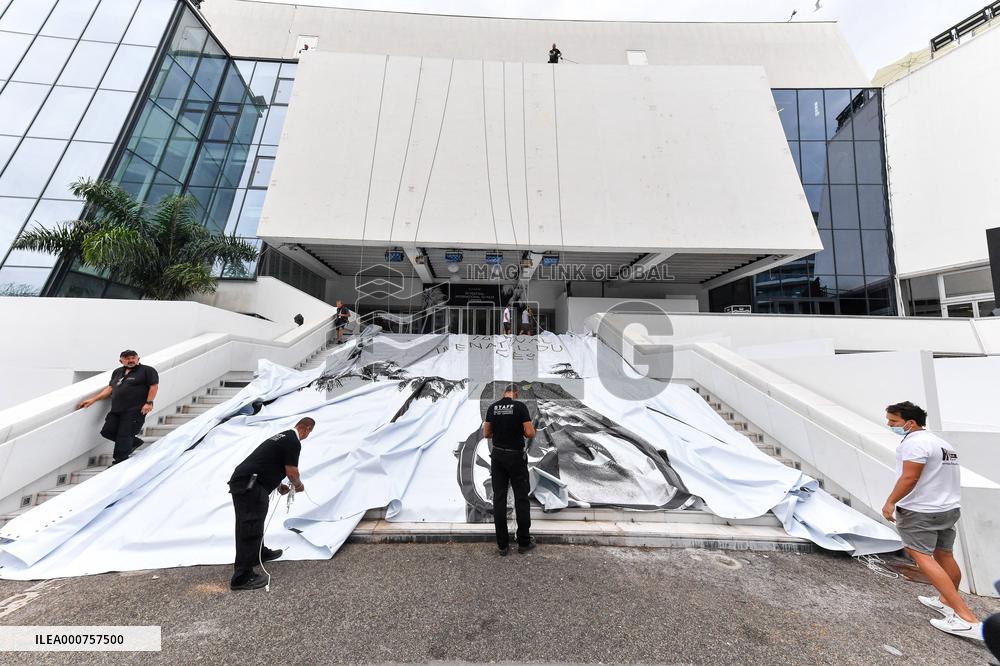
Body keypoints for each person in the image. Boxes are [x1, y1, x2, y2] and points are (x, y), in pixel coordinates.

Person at [882, 401, 982, 641]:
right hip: (947, 508)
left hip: (920, 510)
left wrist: (890, 502)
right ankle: (946, 601)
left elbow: (910, 478)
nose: (889, 425)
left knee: (921, 556)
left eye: (893, 421)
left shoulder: (914, 443)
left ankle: (967, 619)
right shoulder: (942, 444)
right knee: (944, 555)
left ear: (910, 423)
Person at [228, 417, 315, 591]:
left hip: (249, 481)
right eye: (309, 432)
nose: (307, 436)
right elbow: (292, 472)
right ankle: (242, 577)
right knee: (250, 525)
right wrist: (298, 485)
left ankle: (258, 553)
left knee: (254, 522)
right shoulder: (293, 441)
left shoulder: (282, 436)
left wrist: (278, 485)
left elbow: (266, 462)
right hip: (250, 484)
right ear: (306, 429)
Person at [77, 350, 158, 465]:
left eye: (133, 358)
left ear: (138, 359)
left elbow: (154, 386)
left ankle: (119, 461)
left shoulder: (147, 370)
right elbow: (110, 389)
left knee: (124, 435)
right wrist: (93, 399)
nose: (131, 360)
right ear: (121, 361)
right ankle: (134, 442)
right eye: (127, 358)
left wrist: (149, 403)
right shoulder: (117, 372)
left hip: (135, 410)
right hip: (117, 409)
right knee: (107, 431)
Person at [483, 384, 536, 555]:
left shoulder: (493, 407)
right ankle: (524, 543)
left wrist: (500, 432)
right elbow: (530, 433)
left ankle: (502, 545)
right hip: (515, 457)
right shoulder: (520, 407)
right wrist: (519, 431)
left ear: (504, 393)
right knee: (521, 498)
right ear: (516, 394)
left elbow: (486, 434)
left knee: (499, 498)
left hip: (498, 456)